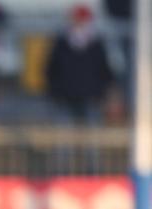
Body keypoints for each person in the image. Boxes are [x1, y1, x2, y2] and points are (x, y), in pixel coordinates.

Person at [45, 4, 113, 172]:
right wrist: (55, 92)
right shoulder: (61, 42)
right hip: (66, 97)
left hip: (90, 97)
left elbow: (104, 70)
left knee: (92, 138)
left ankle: (93, 171)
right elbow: (51, 69)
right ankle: (62, 171)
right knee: (63, 138)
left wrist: (103, 93)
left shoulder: (96, 42)